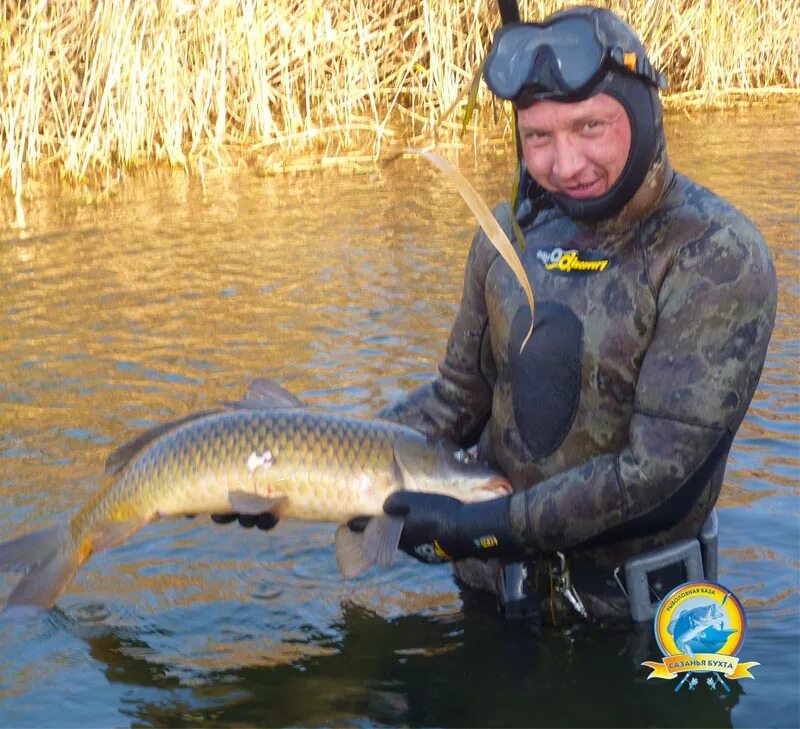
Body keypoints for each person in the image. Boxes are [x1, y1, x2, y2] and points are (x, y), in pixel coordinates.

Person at [220, 6, 777, 625]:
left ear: (646, 111)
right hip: (491, 603)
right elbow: (454, 402)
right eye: (538, 137)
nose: (564, 164)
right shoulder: (505, 237)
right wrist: (305, 465)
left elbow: (654, 474)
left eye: (590, 127)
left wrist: (478, 526)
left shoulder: (714, 251)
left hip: (641, 625)